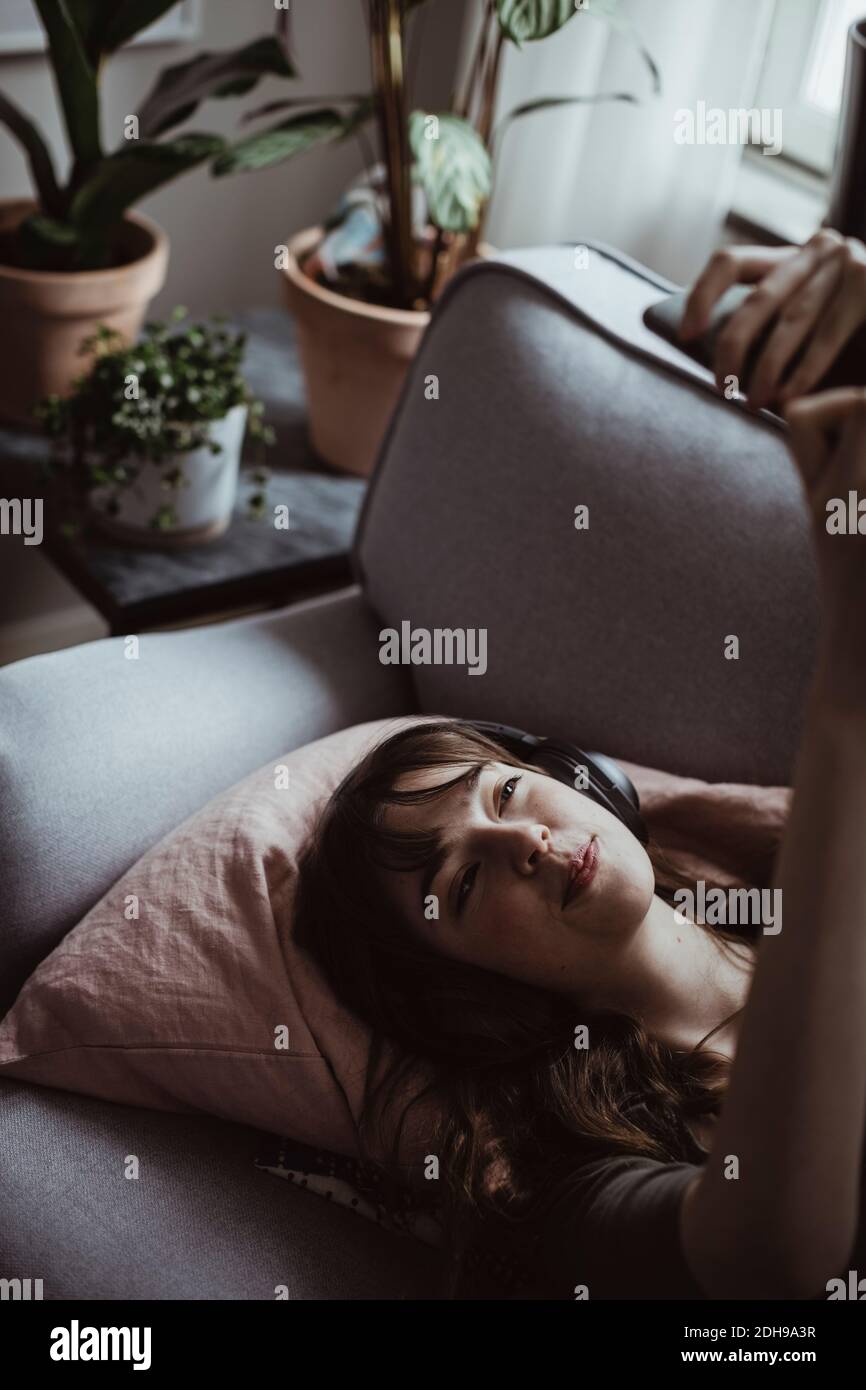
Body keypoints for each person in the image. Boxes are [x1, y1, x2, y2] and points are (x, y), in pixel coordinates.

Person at [293, 229, 866, 1301]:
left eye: (504, 792)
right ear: (467, 998)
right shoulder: (553, 1177)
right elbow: (766, 1261)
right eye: (459, 884)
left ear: (582, 778)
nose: (518, 838)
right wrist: (846, 685)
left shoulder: (785, 886)